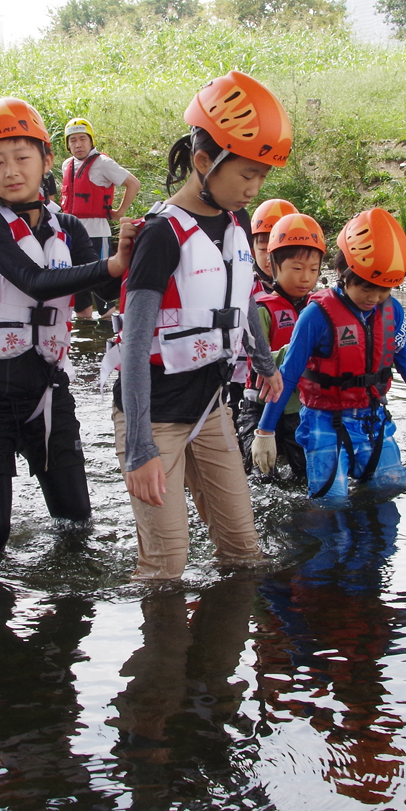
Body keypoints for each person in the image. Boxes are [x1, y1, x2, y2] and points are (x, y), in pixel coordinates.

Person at [105, 70, 289, 583]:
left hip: (210, 409)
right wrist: (140, 447)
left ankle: (217, 663)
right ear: (204, 162)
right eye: (246, 175)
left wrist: (264, 361)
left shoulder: (234, 224)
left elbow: (243, 298)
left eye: (261, 178)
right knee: (166, 568)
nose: (253, 189)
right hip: (155, 416)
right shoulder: (161, 236)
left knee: (243, 552)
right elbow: (135, 347)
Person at [0, 97, 138, 560]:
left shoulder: (69, 227)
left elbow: (106, 294)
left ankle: (71, 623)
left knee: (76, 524)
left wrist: (139, 254)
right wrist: (112, 264)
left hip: (48, 391)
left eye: (23, 157)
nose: (11, 170)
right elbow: (32, 280)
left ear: (47, 161)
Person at [253, 208, 406, 504]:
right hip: (324, 421)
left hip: (372, 417)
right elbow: (289, 373)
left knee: (390, 490)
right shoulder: (316, 315)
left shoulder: (392, 312)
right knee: (329, 502)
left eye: (384, 290)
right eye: (366, 287)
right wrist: (265, 429)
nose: (374, 297)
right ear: (343, 274)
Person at [239, 211, 323, 483]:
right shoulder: (263, 309)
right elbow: (258, 361)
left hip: (302, 409)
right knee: (260, 476)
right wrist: (298, 352)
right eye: (297, 269)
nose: (305, 278)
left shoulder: (320, 310)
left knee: (303, 479)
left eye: (313, 270)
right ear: (274, 266)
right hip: (262, 407)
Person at [58, 117, 140, 319]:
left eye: (82, 139)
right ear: (68, 145)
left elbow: (133, 183)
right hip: (71, 236)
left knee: (102, 290)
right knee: (79, 293)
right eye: (73, 140)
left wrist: (119, 213)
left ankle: (107, 336)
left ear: (91, 141)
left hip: (96, 234)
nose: (78, 144)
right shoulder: (67, 165)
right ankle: (86, 340)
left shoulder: (103, 163)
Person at [248, 197, 297, 288]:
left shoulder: (307, 295)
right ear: (252, 252)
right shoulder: (245, 289)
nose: (270, 258)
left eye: (280, 250)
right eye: (263, 249)